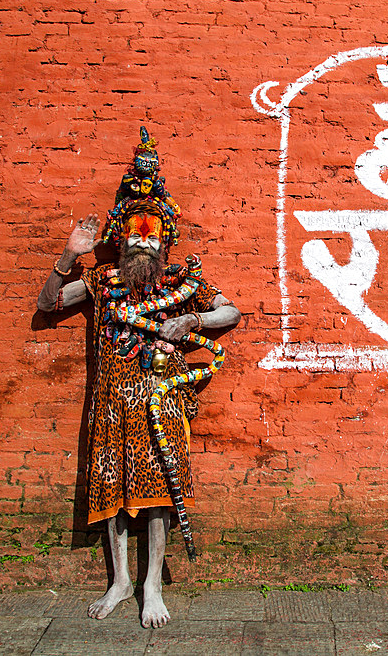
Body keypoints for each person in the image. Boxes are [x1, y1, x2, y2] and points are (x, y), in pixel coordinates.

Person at [37, 129, 240, 627]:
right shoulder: (103, 282)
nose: (143, 239)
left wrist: (192, 320)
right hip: (110, 398)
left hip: (160, 396)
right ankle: (120, 581)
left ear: (165, 237)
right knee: (112, 488)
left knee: (158, 492)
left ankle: (151, 585)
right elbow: (47, 305)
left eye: (152, 232)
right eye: (135, 230)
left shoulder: (182, 282)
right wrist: (68, 257)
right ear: (121, 235)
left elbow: (231, 312)